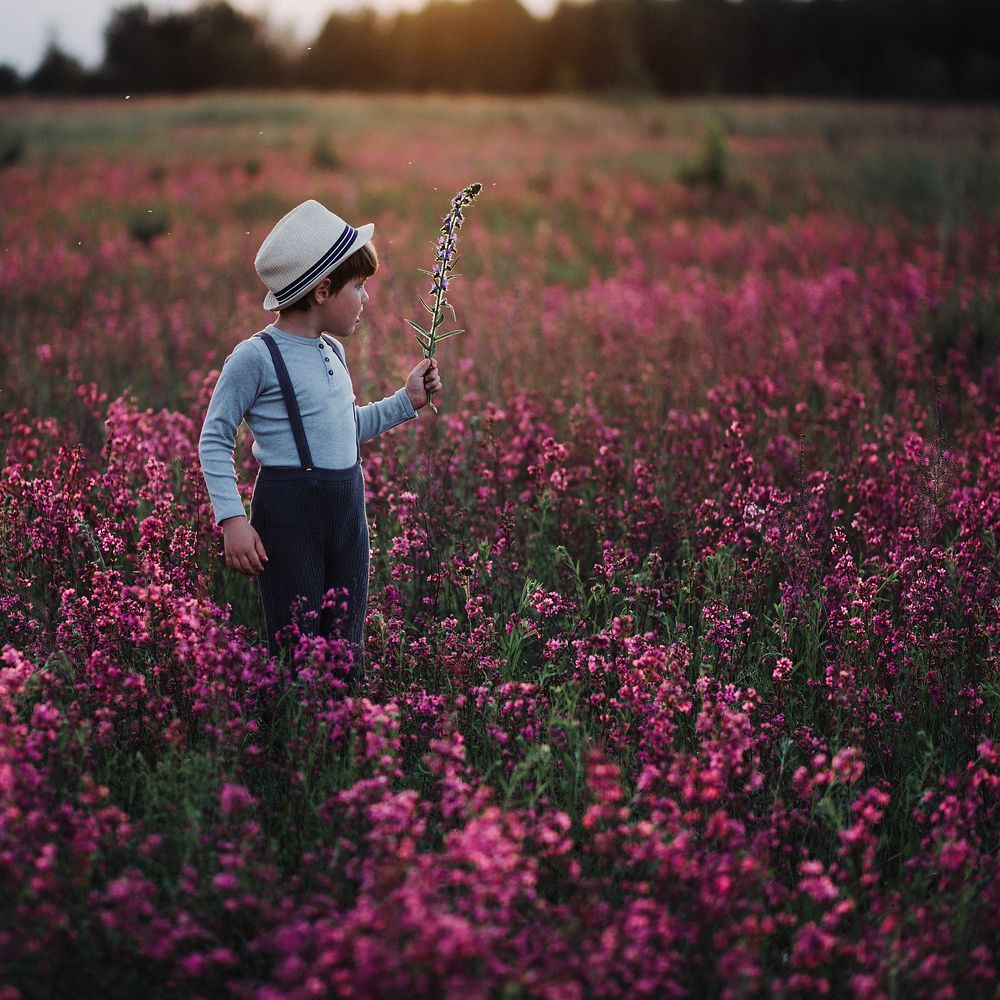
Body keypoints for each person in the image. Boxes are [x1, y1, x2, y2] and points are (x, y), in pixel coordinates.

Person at [198, 199, 440, 671]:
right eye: (359, 286)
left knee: (346, 646)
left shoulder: (331, 350)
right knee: (296, 646)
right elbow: (215, 437)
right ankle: (289, 740)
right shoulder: (255, 357)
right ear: (324, 290)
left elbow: (345, 432)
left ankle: (343, 738)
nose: (366, 298)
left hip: (347, 510)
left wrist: (406, 401)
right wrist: (232, 519)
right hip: (290, 516)